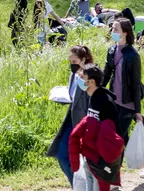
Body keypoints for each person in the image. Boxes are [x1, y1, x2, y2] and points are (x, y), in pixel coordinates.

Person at [69, 64, 124, 191]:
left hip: (100, 159)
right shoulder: (91, 98)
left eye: (82, 77)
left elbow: (114, 133)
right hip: (89, 155)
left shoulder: (106, 101)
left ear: (91, 81)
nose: (79, 79)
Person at [47, 45, 95, 184]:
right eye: (70, 61)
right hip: (72, 120)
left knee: (86, 161)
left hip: (85, 124)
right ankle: (77, 185)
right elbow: (73, 97)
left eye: (74, 62)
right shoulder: (73, 76)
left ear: (84, 59)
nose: (72, 65)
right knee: (62, 155)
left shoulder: (91, 76)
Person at [102, 17, 144, 142]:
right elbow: (106, 75)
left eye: (116, 29)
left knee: (117, 137)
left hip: (127, 103)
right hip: (114, 101)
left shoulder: (133, 55)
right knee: (120, 137)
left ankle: (117, 161)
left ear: (125, 32)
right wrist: (97, 92)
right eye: (112, 28)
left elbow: (136, 84)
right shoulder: (111, 50)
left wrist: (138, 111)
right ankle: (123, 160)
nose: (112, 31)